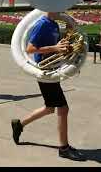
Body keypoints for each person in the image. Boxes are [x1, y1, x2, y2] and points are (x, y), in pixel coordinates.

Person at [10, 12, 86, 161]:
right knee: (63, 109)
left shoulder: (54, 24)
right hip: (44, 72)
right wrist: (55, 48)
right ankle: (64, 148)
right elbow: (30, 49)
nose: (63, 10)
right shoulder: (42, 24)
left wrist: (72, 56)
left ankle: (19, 124)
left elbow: (59, 47)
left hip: (52, 70)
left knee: (50, 108)